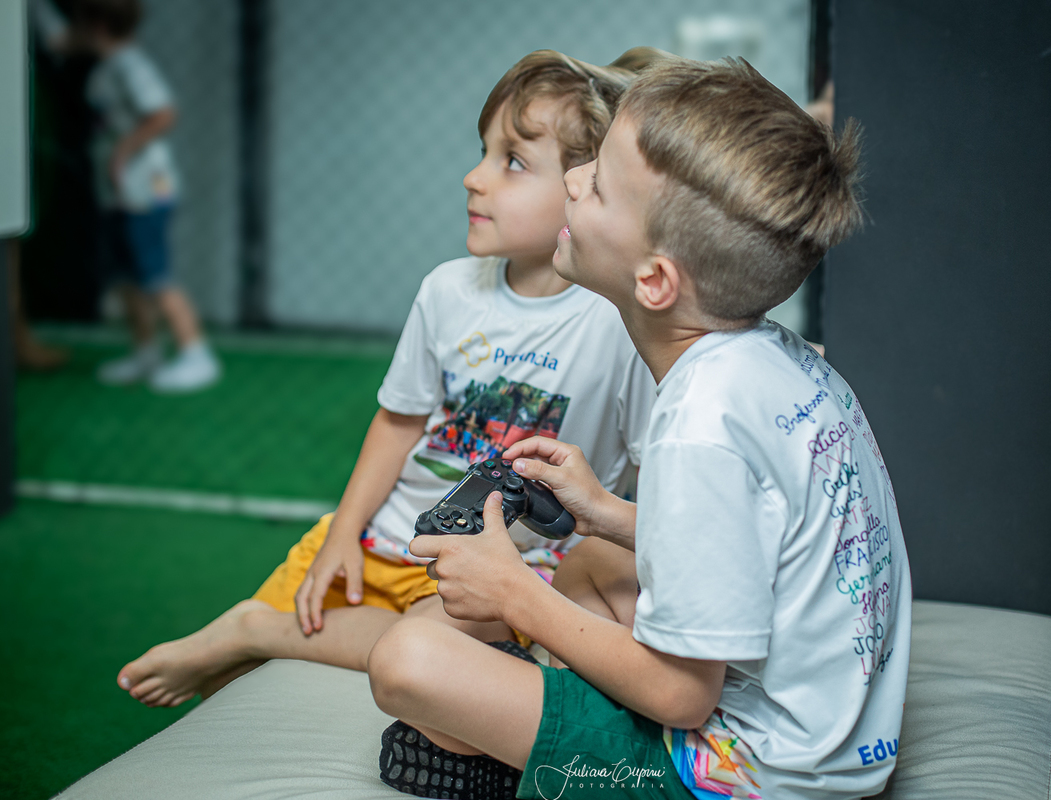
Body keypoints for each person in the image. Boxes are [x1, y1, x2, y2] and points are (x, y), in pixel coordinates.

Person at [367, 57, 912, 800]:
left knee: (407, 662)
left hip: (748, 776)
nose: (571, 180)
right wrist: (606, 512)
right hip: (834, 742)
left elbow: (683, 697)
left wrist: (514, 593)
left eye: (597, 183)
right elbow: (755, 542)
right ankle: (543, 725)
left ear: (654, 280)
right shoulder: (778, 363)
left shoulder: (698, 428)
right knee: (591, 558)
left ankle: (557, 766)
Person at [115, 49, 659, 709]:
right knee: (272, 650)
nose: (473, 178)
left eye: (513, 161)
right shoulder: (447, 290)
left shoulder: (622, 327)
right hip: (391, 534)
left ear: (585, 188)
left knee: (430, 648)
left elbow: (647, 480)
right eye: (483, 153)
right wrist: (344, 532)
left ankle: (253, 631)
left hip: (498, 569)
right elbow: (399, 422)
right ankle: (262, 631)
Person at [77, 0, 220, 392]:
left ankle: (196, 354)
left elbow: (163, 113)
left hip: (146, 189)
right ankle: (146, 352)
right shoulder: (109, 67)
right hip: (119, 192)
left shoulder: (131, 66)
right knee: (127, 276)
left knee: (155, 273)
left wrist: (123, 151)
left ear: (97, 25)